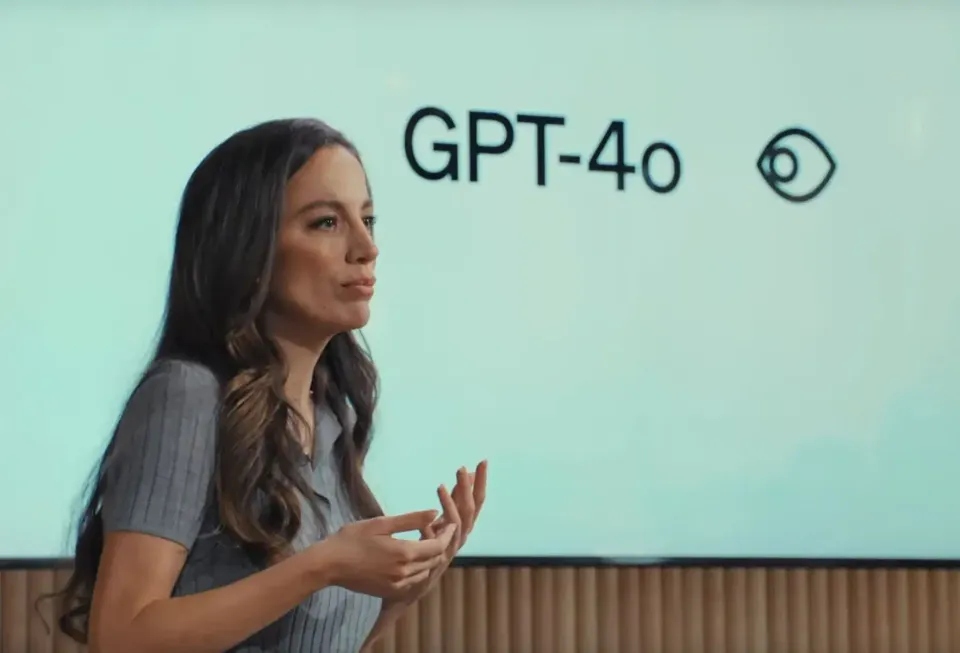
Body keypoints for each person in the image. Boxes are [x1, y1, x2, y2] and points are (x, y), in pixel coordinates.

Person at [53, 118, 488, 653]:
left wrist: (402, 591)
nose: (366, 248)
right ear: (248, 248)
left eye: (368, 219)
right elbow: (122, 637)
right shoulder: (187, 395)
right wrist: (323, 566)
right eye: (327, 222)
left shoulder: (331, 417)